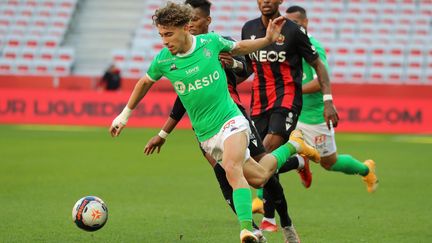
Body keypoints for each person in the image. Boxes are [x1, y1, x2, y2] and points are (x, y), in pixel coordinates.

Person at [109, 2, 319, 242]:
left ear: (185, 28)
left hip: (231, 119)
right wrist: (124, 115)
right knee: (260, 177)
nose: (164, 41)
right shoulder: (164, 61)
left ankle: (247, 229)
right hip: (206, 134)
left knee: (232, 167)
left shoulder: (210, 43)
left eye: (168, 34)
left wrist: (266, 40)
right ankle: (296, 147)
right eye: (161, 35)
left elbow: (240, 47)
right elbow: (144, 83)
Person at [252, 5, 380, 231]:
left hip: (313, 116)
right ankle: (263, 201)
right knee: (267, 149)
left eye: (294, 23)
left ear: (305, 23)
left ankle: (366, 170)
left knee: (329, 162)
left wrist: (290, 88)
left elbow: (320, 80)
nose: (288, 27)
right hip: (290, 108)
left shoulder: (313, 46)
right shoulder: (278, 40)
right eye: (285, 22)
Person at [242, 0, 339, 233]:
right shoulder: (249, 29)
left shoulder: (294, 31)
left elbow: (319, 65)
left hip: (286, 102)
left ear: (279, 1)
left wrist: (328, 102)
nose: (265, 1)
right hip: (258, 103)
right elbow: (246, 68)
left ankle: (268, 220)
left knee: (259, 162)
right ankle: (296, 164)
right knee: (265, 164)